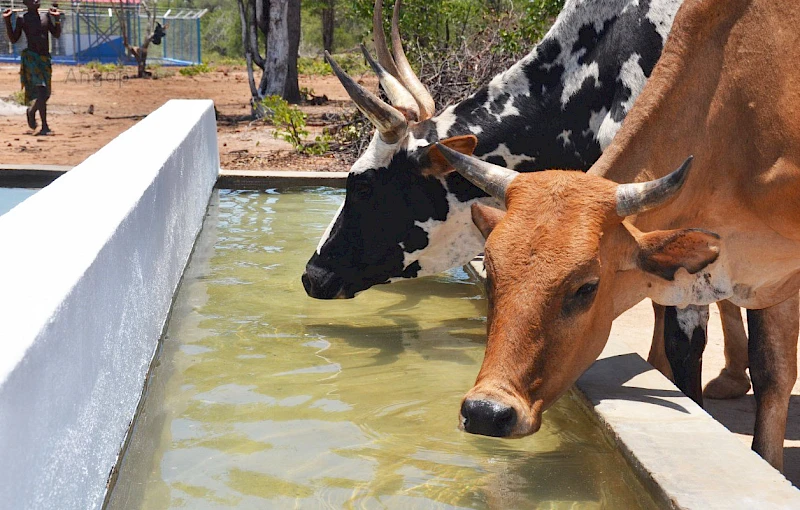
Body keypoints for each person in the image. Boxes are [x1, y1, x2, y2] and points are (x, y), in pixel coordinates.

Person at [3, 0, 62, 135]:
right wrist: (7, 21)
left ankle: (31, 111)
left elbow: (56, 34)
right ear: (26, 3)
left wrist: (57, 20)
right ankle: (45, 127)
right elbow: (14, 39)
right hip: (32, 58)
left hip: (44, 58)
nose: (36, 1)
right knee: (41, 90)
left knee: (46, 94)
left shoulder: (45, 16)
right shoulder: (22, 19)